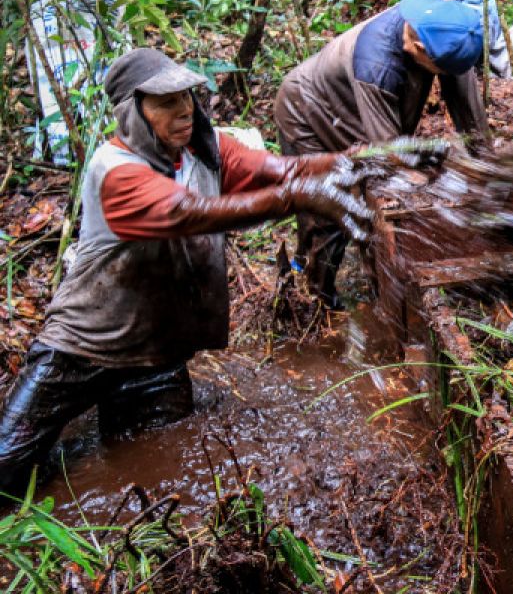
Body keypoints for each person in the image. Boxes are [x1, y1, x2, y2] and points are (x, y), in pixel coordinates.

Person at [0, 49, 370, 495]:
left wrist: (366, 159)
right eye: (166, 102)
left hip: (156, 354)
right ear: (134, 113)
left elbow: (283, 169)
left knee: (158, 469)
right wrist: (298, 198)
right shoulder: (115, 171)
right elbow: (191, 213)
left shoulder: (203, 154)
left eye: (187, 96)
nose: (185, 110)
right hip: (81, 350)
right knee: (7, 465)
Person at [274, 0, 485, 307]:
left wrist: (487, 171)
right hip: (308, 110)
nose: (407, 43)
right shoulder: (379, 60)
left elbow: (473, 126)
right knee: (332, 207)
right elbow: (387, 156)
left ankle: (382, 287)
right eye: (412, 38)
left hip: (357, 110)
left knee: (377, 197)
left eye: (418, 48)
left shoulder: (453, 43)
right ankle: (318, 299)